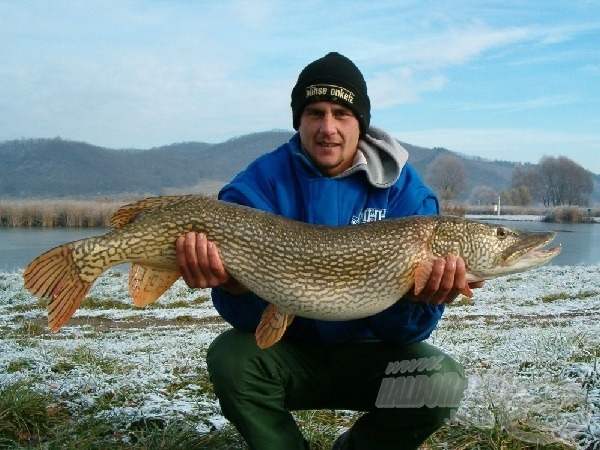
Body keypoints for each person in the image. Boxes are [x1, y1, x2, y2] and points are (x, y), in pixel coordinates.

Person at [175, 52, 483, 450]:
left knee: (440, 381)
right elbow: (243, 317)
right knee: (232, 360)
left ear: (361, 123)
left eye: (341, 113)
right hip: (287, 357)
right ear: (299, 120)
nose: (328, 128)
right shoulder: (257, 185)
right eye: (315, 113)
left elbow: (409, 334)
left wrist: (418, 300)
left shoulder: (408, 194)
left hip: (371, 358)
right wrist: (235, 288)